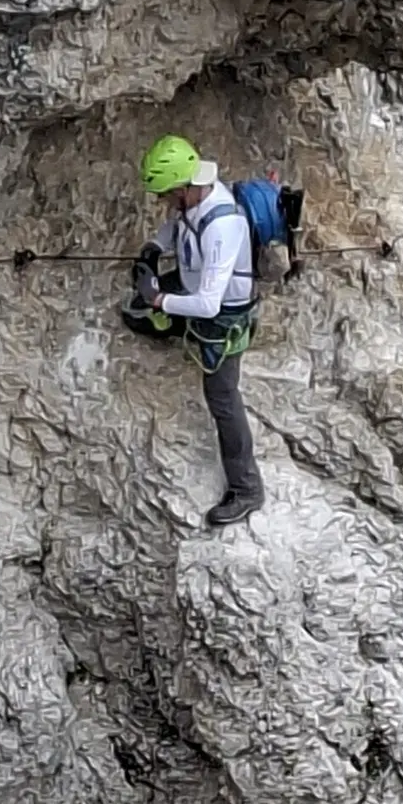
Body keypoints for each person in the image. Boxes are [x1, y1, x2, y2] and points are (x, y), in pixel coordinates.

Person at [122, 137, 265, 528]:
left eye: (169, 194)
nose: (166, 201)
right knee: (134, 309)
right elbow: (177, 226)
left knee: (222, 397)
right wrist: (153, 249)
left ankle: (248, 488)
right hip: (192, 282)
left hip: (223, 314)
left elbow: (208, 305)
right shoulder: (197, 198)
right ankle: (167, 320)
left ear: (184, 188)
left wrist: (160, 302)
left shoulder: (223, 226)